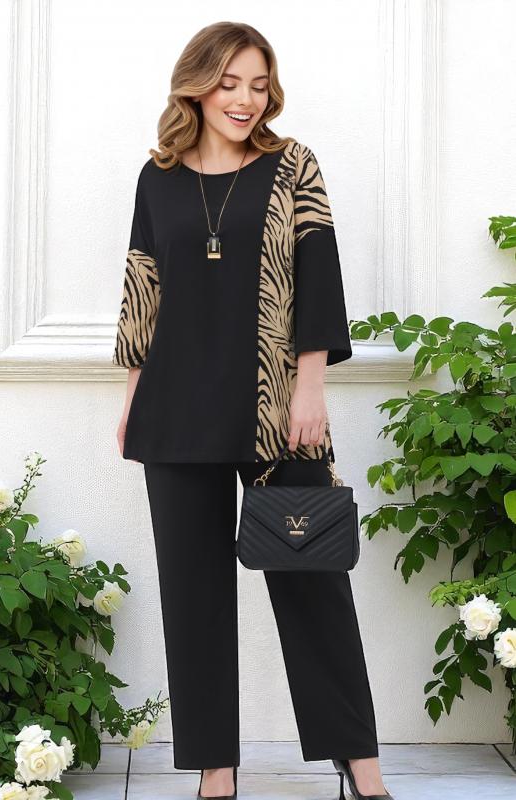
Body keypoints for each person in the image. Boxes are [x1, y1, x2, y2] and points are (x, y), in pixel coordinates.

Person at [113, 20, 394, 800]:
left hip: (277, 411)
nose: (244, 99)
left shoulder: (291, 165)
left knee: (313, 584)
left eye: (258, 85)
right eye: (229, 83)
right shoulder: (156, 178)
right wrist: (132, 399)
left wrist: (312, 386)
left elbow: (319, 271)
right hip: (175, 409)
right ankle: (216, 769)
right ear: (196, 87)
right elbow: (142, 289)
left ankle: (359, 762)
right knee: (193, 596)